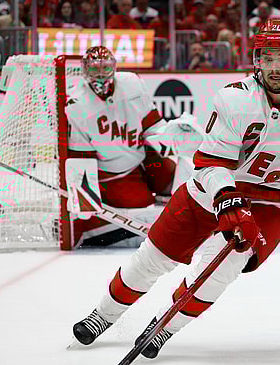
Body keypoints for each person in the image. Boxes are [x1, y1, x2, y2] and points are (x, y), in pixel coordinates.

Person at [71, 20, 280, 358]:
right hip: (212, 191)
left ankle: (165, 327)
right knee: (153, 257)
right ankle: (102, 316)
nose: (274, 67)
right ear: (256, 59)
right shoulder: (235, 99)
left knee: (223, 267)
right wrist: (229, 201)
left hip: (275, 201)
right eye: (267, 58)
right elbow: (211, 164)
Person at [65, 46, 188, 248]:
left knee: (177, 179)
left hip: (142, 156)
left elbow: (152, 125)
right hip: (113, 171)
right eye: (95, 70)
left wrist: (174, 141)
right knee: (143, 205)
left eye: (106, 68)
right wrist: (84, 200)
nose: (102, 75)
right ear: (85, 71)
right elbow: (82, 158)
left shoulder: (132, 83)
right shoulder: (76, 104)